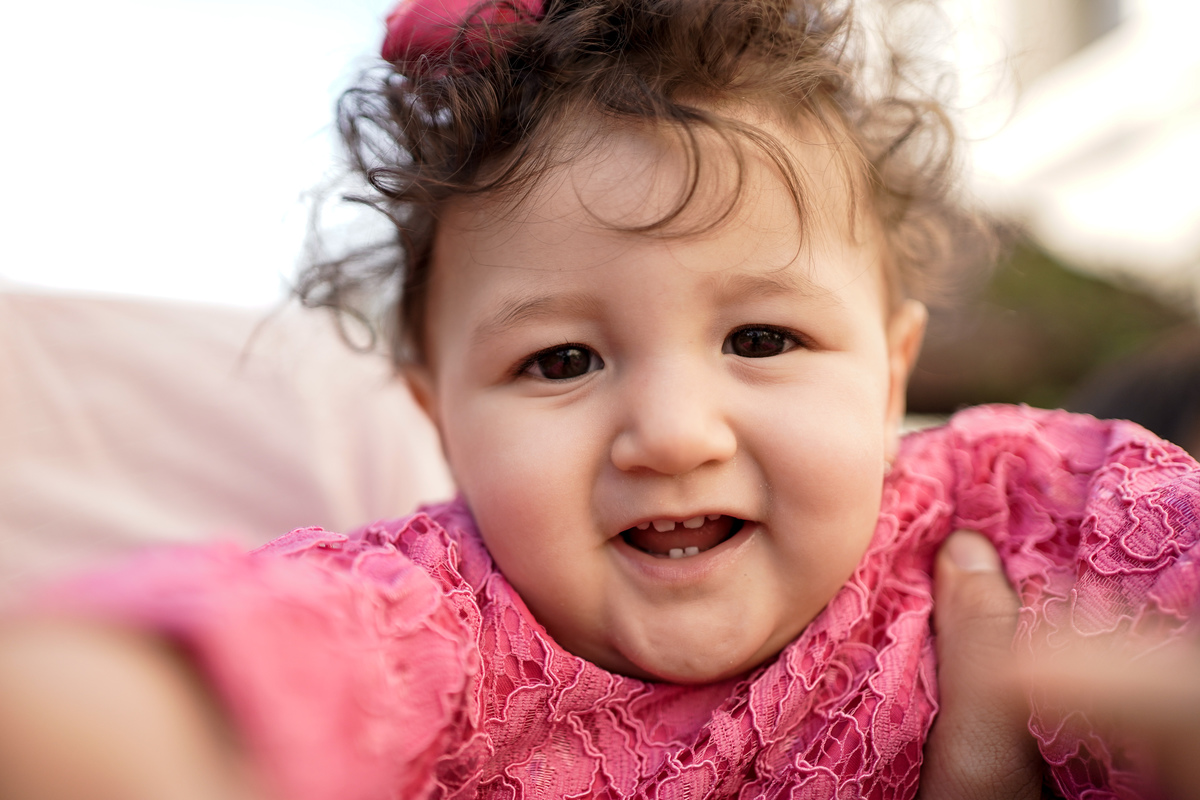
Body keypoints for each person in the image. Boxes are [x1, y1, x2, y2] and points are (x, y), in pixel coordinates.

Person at [1, 0, 1198, 798]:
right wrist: (98, 708)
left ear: (888, 371)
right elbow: (207, 669)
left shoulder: (1016, 510)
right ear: (438, 416)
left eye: (764, 336)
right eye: (561, 360)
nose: (675, 432)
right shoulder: (444, 621)